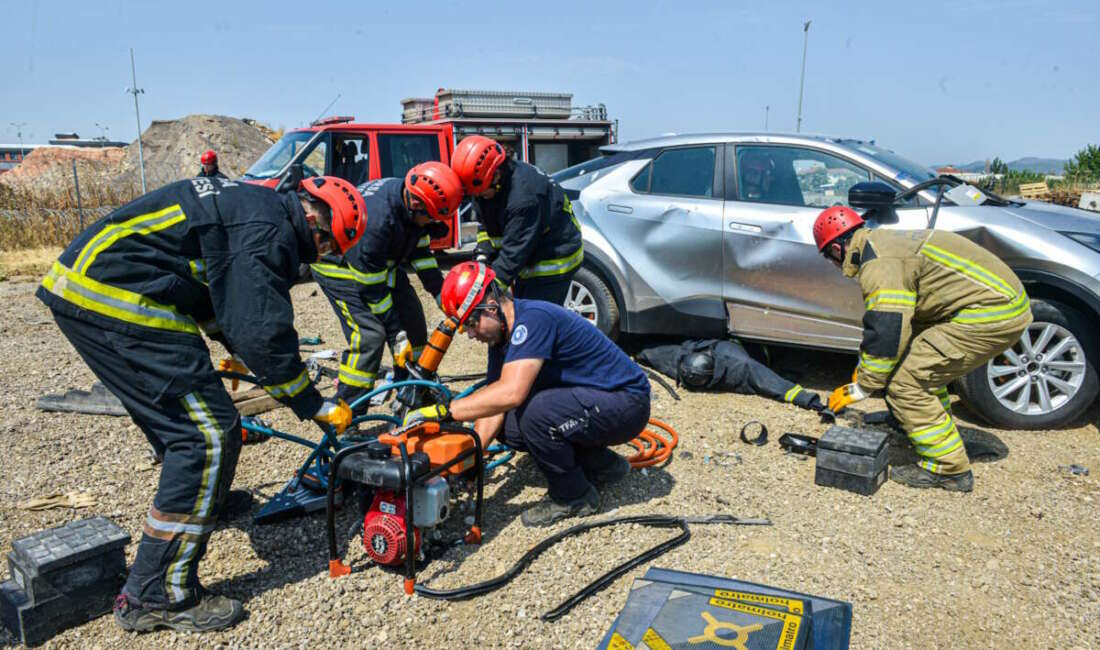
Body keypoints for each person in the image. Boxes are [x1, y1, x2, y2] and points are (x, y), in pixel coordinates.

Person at [37, 174, 364, 632]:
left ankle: (203, 498)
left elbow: (220, 297)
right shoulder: (269, 233)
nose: (323, 257)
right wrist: (314, 405)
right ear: (315, 220)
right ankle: (156, 594)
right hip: (115, 296)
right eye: (328, 247)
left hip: (96, 283)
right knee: (207, 435)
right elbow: (261, 331)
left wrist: (246, 351)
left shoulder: (259, 209)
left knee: (194, 418)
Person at [405, 261, 651, 526]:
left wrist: (446, 411)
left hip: (627, 402)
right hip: (598, 401)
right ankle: (602, 465)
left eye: (473, 324)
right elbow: (495, 398)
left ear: (490, 305)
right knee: (510, 426)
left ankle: (574, 496)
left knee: (535, 414)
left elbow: (511, 393)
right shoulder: (501, 337)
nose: (472, 334)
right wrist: (471, 458)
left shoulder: (533, 320)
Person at [814, 206, 1032, 492]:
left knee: (908, 385)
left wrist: (862, 387)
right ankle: (929, 431)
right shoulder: (882, 242)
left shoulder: (878, 264)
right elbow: (899, 327)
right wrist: (868, 368)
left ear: (838, 247)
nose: (833, 264)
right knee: (920, 369)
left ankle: (948, 469)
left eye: (829, 256)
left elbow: (887, 330)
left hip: (989, 315)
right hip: (1000, 305)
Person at [310, 162, 463, 406]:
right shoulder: (378, 221)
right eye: (430, 218)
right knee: (370, 335)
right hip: (340, 265)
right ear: (415, 204)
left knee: (413, 322)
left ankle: (410, 391)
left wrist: (442, 296)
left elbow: (422, 254)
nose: (432, 223)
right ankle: (347, 412)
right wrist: (395, 333)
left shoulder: (414, 203)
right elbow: (372, 289)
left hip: (380, 264)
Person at [450, 135, 583, 305]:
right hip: (527, 248)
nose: (478, 198)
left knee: (535, 319)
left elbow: (513, 255)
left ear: (496, 175)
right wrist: (482, 256)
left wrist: (483, 293)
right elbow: (487, 225)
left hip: (553, 260)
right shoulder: (484, 184)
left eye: (481, 193)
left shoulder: (523, 199)